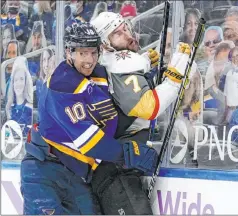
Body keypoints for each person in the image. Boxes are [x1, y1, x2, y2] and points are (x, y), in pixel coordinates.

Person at [20, 22, 158, 215]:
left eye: (93, 53)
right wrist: (128, 153)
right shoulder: (62, 84)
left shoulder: (99, 75)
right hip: (45, 171)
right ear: (69, 52)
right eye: (82, 53)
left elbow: (111, 121)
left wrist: (144, 75)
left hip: (79, 175)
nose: (89, 60)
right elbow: (90, 142)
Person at [91, 12, 196, 214]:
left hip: (120, 165)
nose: (128, 35)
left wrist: (146, 62)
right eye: (118, 33)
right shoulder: (120, 67)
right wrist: (173, 81)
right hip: (116, 171)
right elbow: (148, 108)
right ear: (105, 44)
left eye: (126, 28)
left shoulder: (117, 65)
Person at [5, 56, 33, 137]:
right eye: (16, 80)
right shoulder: (9, 108)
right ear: (12, 83)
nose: (18, 83)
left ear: (26, 82)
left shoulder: (29, 108)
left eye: (21, 79)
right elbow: (7, 135)